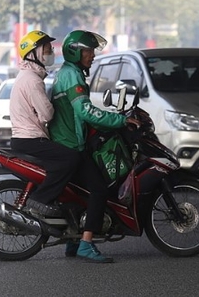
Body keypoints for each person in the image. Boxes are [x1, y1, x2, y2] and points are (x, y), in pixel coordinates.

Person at [49, 30, 140, 263]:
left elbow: (81, 113)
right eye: (88, 51)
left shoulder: (71, 73)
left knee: (79, 193)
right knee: (98, 190)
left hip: (69, 141)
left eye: (92, 51)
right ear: (75, 52)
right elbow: (84, 110)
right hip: (70, 144)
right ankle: (86, 244)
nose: (92, 55)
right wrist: (119, 120)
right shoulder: (71, 75)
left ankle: (73, 241)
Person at [9, 30, 80, 219]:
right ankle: (41, 199)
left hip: (24, 138)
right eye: (47, 49)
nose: (51, 53)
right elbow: (47, 114)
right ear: (35, 54)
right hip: (30, 139)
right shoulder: (32, 80)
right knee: (71, 158)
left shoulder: (28, 76)